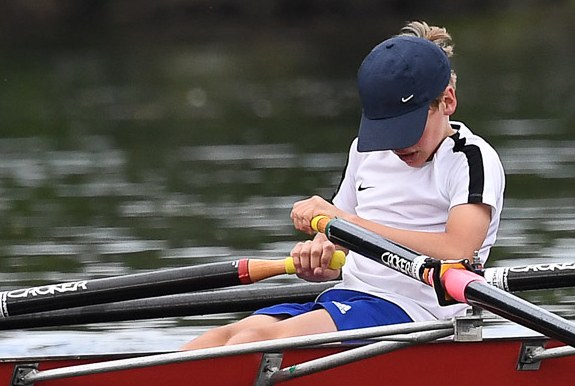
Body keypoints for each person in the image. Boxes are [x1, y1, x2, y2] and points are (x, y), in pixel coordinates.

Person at [182, 22, 505, 349]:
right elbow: (338, 237)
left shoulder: (469, 159)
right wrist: (321, 252)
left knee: (254, 340)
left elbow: (459, 251)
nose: (396, 145)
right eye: (387, 130)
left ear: (447, 102)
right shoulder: (366, 152)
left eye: (406, 128)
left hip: (421, 315)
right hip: (348, 298)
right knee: (222, 337)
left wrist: (345, 225)